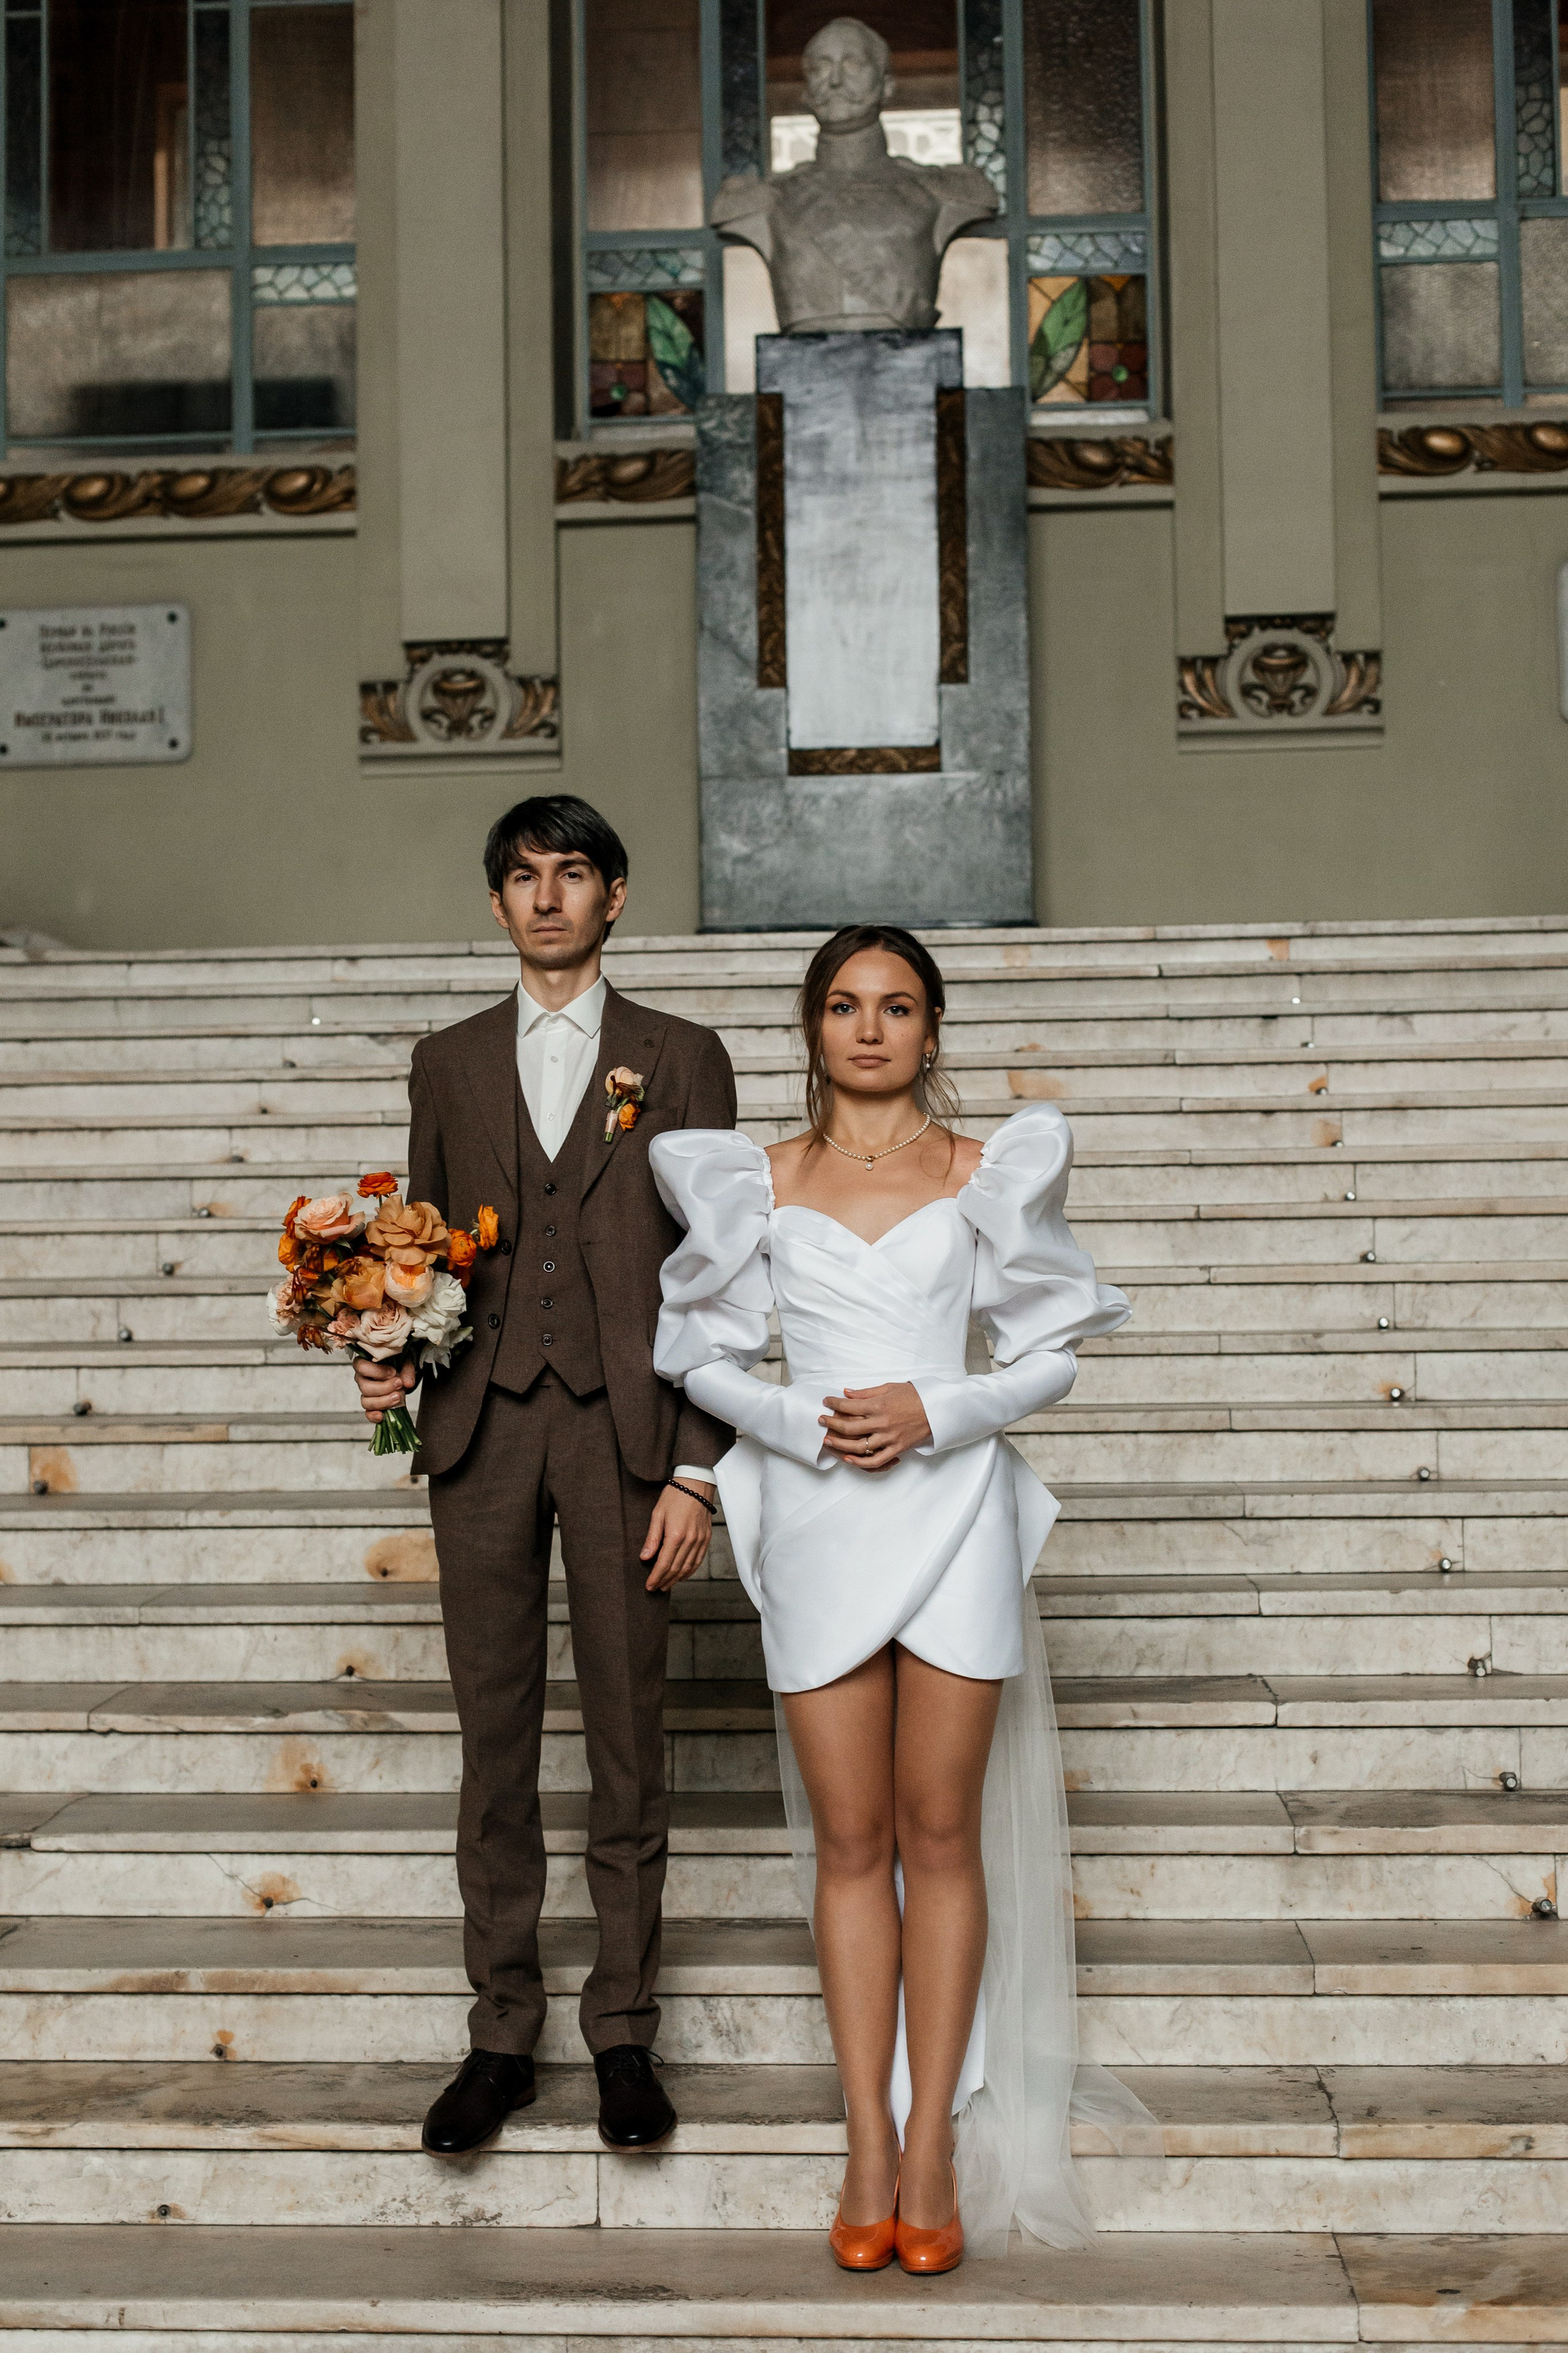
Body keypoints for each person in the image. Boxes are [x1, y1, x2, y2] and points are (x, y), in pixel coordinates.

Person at [649, 924, 1156, 2272]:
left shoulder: (988, 1172)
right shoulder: (748, 1181)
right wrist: (792, 1420)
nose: (868, 1028)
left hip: (951, 1511)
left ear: (932, 1030)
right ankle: (863, 2140)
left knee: (941, 1838)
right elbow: (692, 1352)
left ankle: (930, 2136)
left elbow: (1049, 1352)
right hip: (816, 1513)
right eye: (841, 1005)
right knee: (848, 1842)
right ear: (811, 1027)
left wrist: (935, 1407)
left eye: (896, 1006)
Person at [353, 795, 737, 2159]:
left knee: (631, 1736)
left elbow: (722, 1279)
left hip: (630, 1431)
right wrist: (386, 1352)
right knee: (493, 1738)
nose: (548, 897)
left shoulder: (680, 1055)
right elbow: (421, 1251)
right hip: (484, 1428)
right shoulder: (446, 1062)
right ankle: (499, 2031)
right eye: (522, 878)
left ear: (614, 896)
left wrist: (697, 1467)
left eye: (572, 874)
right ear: (498, 902)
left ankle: (622, 2024)